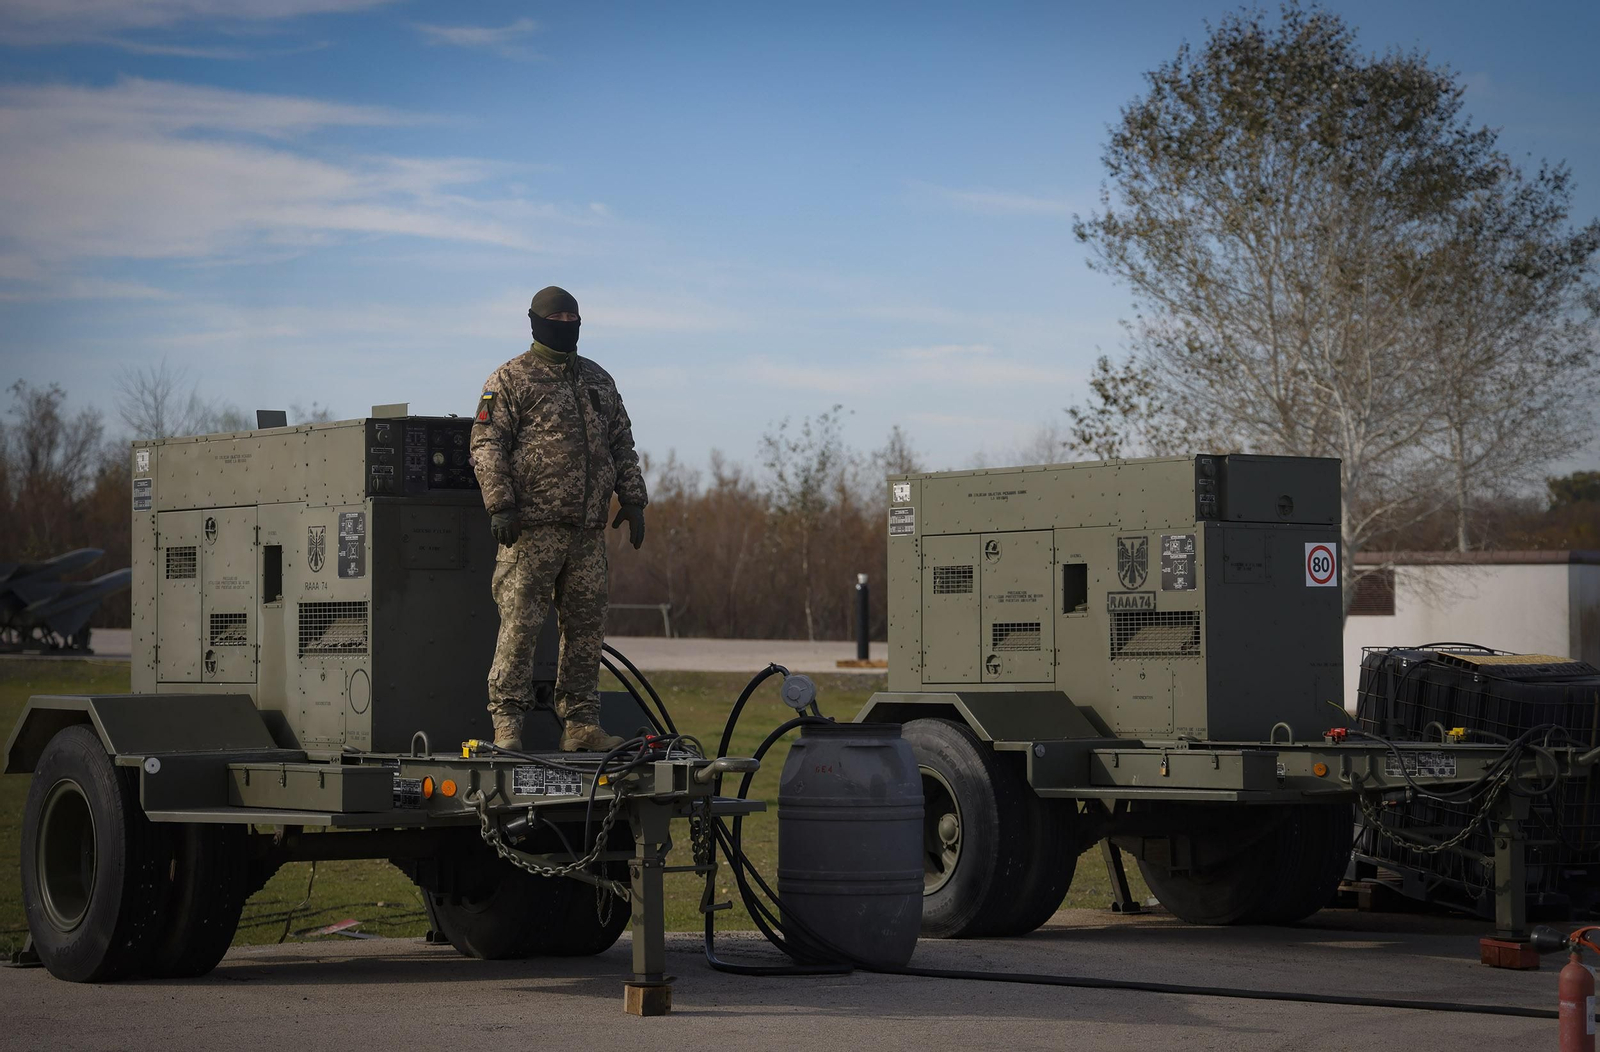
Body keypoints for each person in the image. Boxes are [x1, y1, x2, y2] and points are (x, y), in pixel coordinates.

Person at [469, 286, 648, 752]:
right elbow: (486, 445)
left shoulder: (598, 380)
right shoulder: (509, 379)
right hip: (532, 530)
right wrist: (501, 504)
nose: (566, 324)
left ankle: (582, 724)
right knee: (521, 626)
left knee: (586, 630)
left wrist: (633, 498)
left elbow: (621, 442)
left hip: (587, 532)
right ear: (535, 322)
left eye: (573, 318)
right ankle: (507, 726)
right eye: (557, 317)